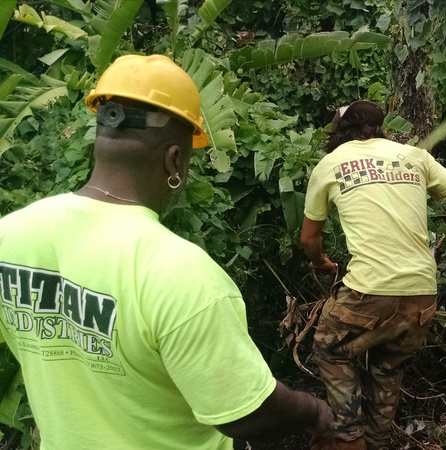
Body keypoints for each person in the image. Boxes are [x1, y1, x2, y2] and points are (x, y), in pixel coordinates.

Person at [0, 54, 333, 449]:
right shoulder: (183, 275)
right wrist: (317, 413)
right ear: (174, 159)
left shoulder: (11, 234)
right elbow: (246, 413)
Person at [300, 100, 446, 450]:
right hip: (422, 296)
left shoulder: (330, 164)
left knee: (329, 347)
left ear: (339, 131)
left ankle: (349, 436)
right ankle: (374, 442)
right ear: (379, 127)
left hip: (368, 293)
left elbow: (308, 238)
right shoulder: (415, 157)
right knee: (387, 370)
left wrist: (319, 263)